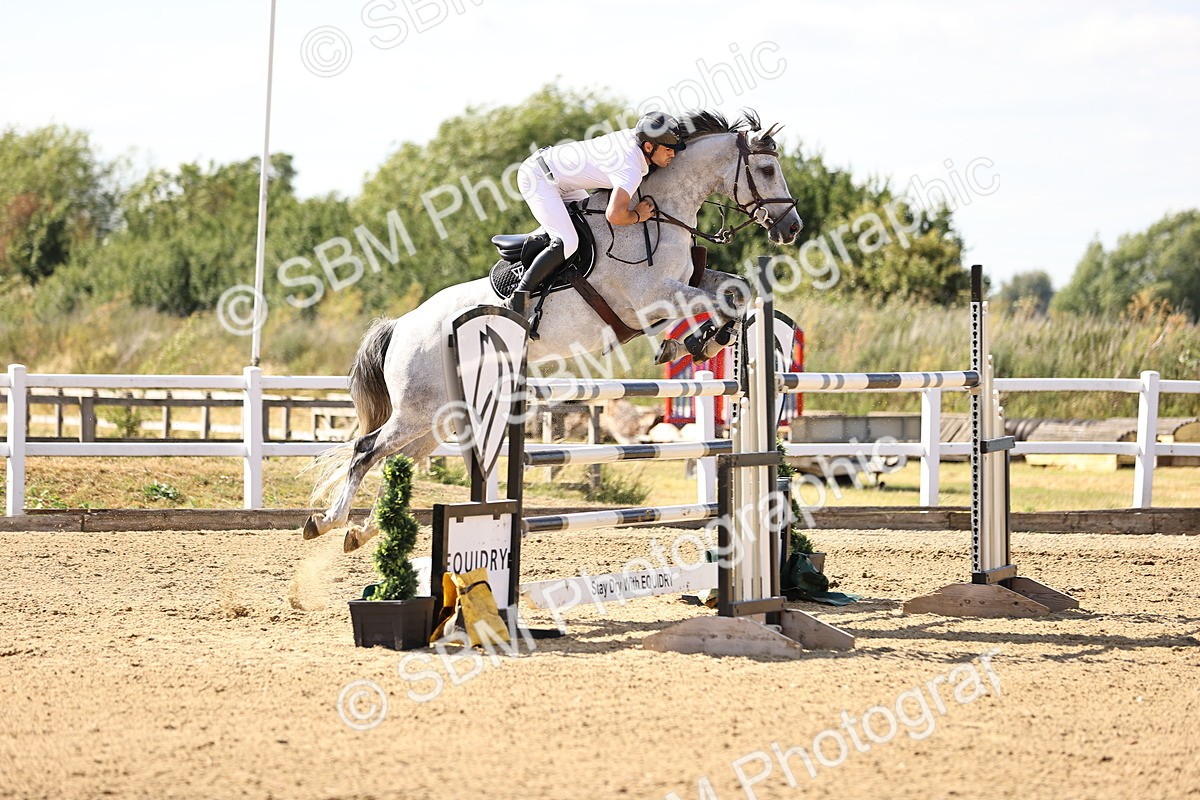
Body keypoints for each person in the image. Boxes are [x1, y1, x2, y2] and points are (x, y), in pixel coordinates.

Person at [509, 112, 687, 307]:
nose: (673, 154)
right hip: (538, 178)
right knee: (568, 242)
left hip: (559, 179)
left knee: (592, 228)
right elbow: (615, 215)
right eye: (669, 149)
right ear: (648, 147)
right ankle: (519, 298)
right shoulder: (631, 168)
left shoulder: (638, 140)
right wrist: (637, 215)